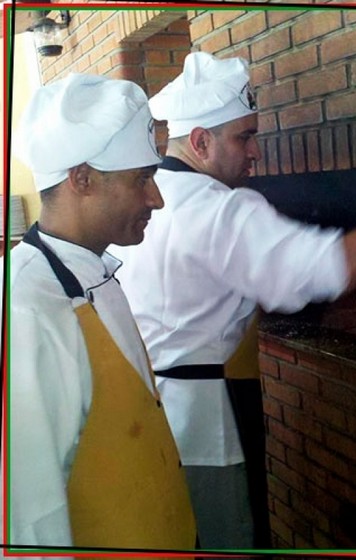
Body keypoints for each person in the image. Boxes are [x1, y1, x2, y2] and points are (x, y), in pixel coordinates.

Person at [112, 52, 356, 549]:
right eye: (244, 136)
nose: (255, 153)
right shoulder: (220, 210)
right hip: (207, 424)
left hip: (151, 417)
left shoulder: (146, 199)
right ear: (201, 141)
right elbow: (336, 268)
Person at [7, 73, 196, 553]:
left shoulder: (92, 271)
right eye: (143, 179)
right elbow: (30, 518)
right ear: (82, 179)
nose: (157, 198)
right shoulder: (29, 308)